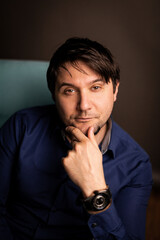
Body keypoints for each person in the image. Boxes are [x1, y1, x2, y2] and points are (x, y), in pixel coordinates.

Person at [0, 37, 152, 240]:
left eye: (96, 88)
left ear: (115, 90)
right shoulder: (21, 126)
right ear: (54, 95)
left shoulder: (136, 165)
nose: (84, 105)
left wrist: (94, 188)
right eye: (69, 91)